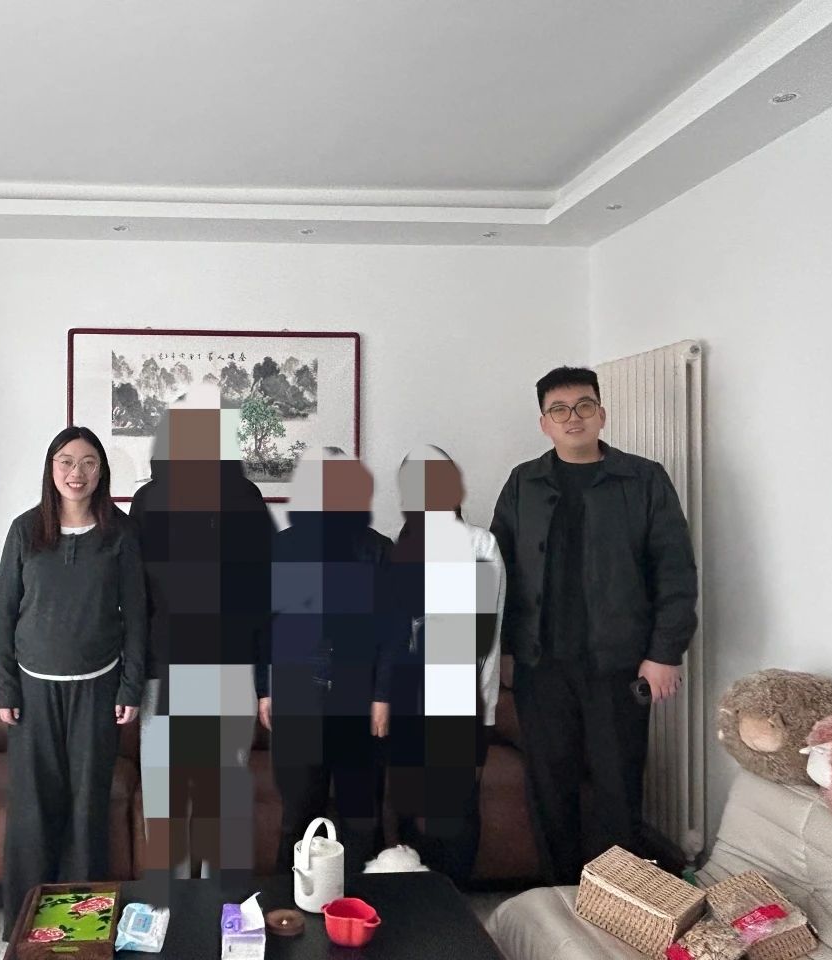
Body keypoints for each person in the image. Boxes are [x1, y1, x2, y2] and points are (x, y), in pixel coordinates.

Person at [491, 366, 698, 884]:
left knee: (618, 785)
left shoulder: (643, 479)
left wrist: (665, 653)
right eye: (559, 410)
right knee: (549, 786)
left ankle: (620, 897)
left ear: (601, 414)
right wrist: (501, 652)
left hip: (619, 664)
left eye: (584, 406)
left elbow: (675, 570)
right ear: (544, 424)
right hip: (541, 665)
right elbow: (498, 570)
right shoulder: (523, 482)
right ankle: (561, 893)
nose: (573, 418)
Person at [0, 426, 146, 937]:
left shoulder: (120, 533)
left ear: (101, 471)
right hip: (33, 692)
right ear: (51, 468)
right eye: (65, 461)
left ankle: (80, 928)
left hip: (98, 689)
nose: (76, 473)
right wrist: (6, 688)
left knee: (87, 808)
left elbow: (136, 616)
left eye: (88, 462)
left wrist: (129, 687)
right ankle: (25, 926)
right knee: (33, 810)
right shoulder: (25, 530)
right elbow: (4, 613)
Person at [128, 384, 275, 881]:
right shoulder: (148, 501)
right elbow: (134, 594)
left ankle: (219, 903)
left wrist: (265, 681)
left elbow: (265, 594)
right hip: (164, 668)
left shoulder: (246, 498)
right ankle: (172, 904)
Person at [258, 447, 394, 881]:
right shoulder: (281, 547)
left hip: (360, 698)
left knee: (361, 815)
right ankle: (289, 902)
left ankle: (361, 903)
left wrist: (383, 696)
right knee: (298, 816)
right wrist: (264, 689)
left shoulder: (378, 549)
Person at [389, 445, 504, 887]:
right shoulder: (398, 547)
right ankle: (416, 901)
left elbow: (485, 637)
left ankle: (453, 904)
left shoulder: (479, 544)